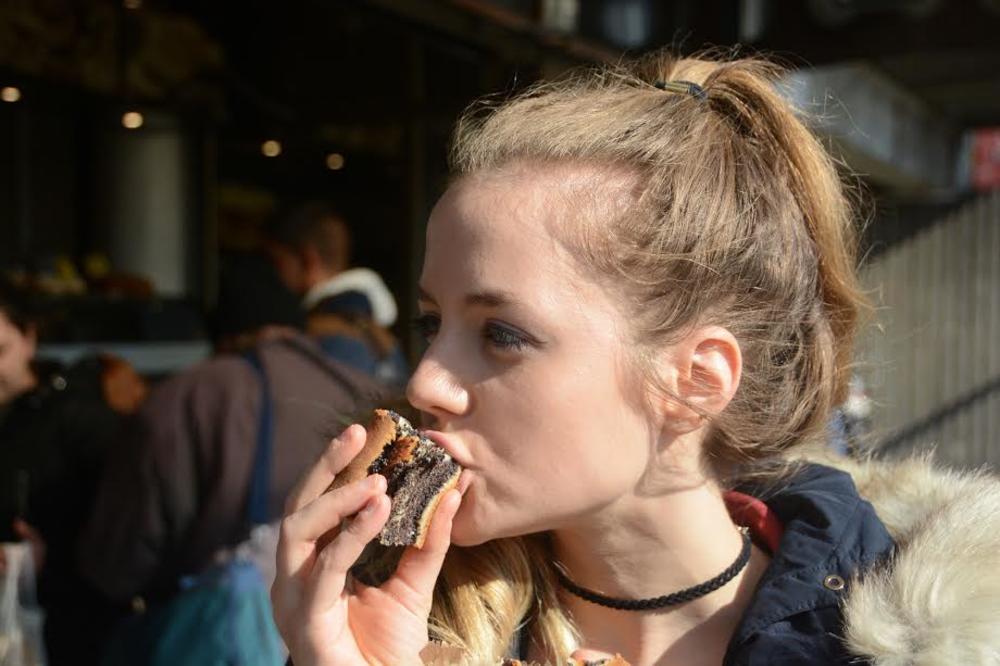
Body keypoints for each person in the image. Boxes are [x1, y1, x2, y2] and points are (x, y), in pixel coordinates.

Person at [269, 52, 1000, 665]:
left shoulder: (914, 642)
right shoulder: (397, 619)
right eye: (432, 323)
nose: (425, 381)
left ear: (694, 381)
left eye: (501, 334)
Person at [0, 277, 146, 666]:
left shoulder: (78, 419)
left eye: (0, 351)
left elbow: (125, 531)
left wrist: (51, 560)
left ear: (29, 339)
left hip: (68, 628)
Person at [265, 202, 410, 390]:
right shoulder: (383, 338)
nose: (274, 273)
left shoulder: (316, 338)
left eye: (276, 262)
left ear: (308, 259)